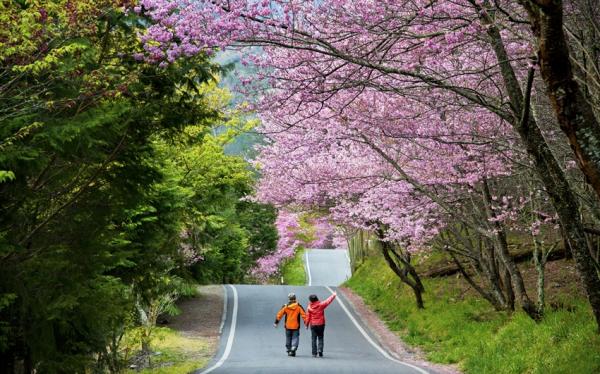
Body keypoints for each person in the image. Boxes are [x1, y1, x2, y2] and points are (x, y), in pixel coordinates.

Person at [274, 292, 307, 357]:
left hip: (288, 326)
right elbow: (304, 315)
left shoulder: (285, 306)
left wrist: (276, 322)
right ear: (295, 298)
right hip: (296, 326)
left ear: (289, 299)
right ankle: (293, 348)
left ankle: (289, 349)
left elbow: (279, 315)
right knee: (295, 337)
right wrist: (306, 323)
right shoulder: (298, 306)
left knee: (288, 337)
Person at [305, 291, 337, 358]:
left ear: (310, 300)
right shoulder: (321, 305)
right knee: (320, 337)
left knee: (313, 338)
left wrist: (306, 324)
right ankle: (320, 350)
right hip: (321, 324)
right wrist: (333, 295)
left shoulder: (309, 307)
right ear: (317, 298)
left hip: (313, 324)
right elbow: (328, 301)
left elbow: (308, 316)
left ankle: (314, 353)